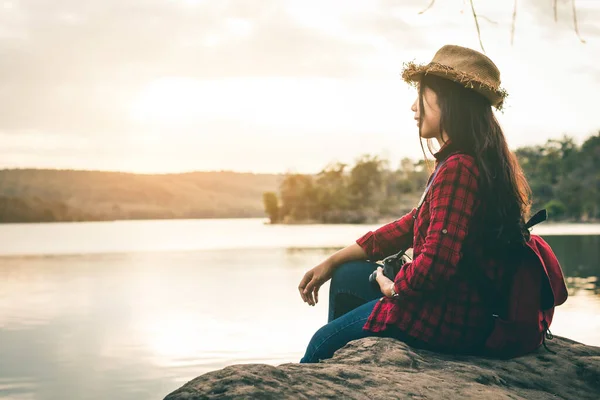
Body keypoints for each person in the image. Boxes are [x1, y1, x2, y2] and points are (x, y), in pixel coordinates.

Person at [297, 44, 538, 364]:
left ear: (449, 101)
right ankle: (347, 364)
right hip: (453, 308)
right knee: (347, 275)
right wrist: (333, 260)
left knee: (320, 342)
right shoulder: (466, 161)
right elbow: (411, 225)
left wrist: (391, 287)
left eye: (422, 96)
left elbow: (435, 267)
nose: (413, 107)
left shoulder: (459, 168)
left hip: (448, 319)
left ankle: (334, 365)